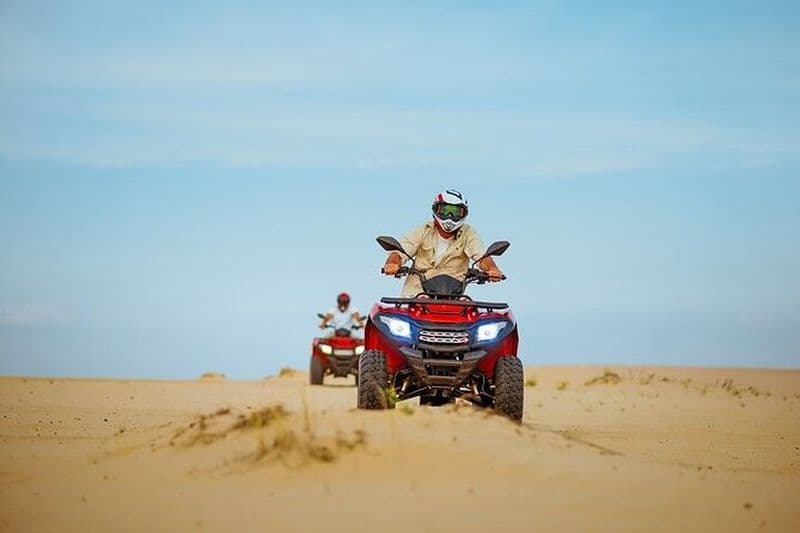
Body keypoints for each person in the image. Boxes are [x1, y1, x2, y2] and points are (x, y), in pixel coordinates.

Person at [382, 189, 504, 297]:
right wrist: (393, 263)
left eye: (456, 212)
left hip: (453, 299)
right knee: (388, 319)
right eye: (445, 211)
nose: (450, 216)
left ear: (463, 214)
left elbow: (482, 256)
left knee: (480, 318)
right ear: (436, 210)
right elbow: (400, 251)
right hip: (416, 296)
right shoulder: (423, 230)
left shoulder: (468, 234)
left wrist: (492, 269)